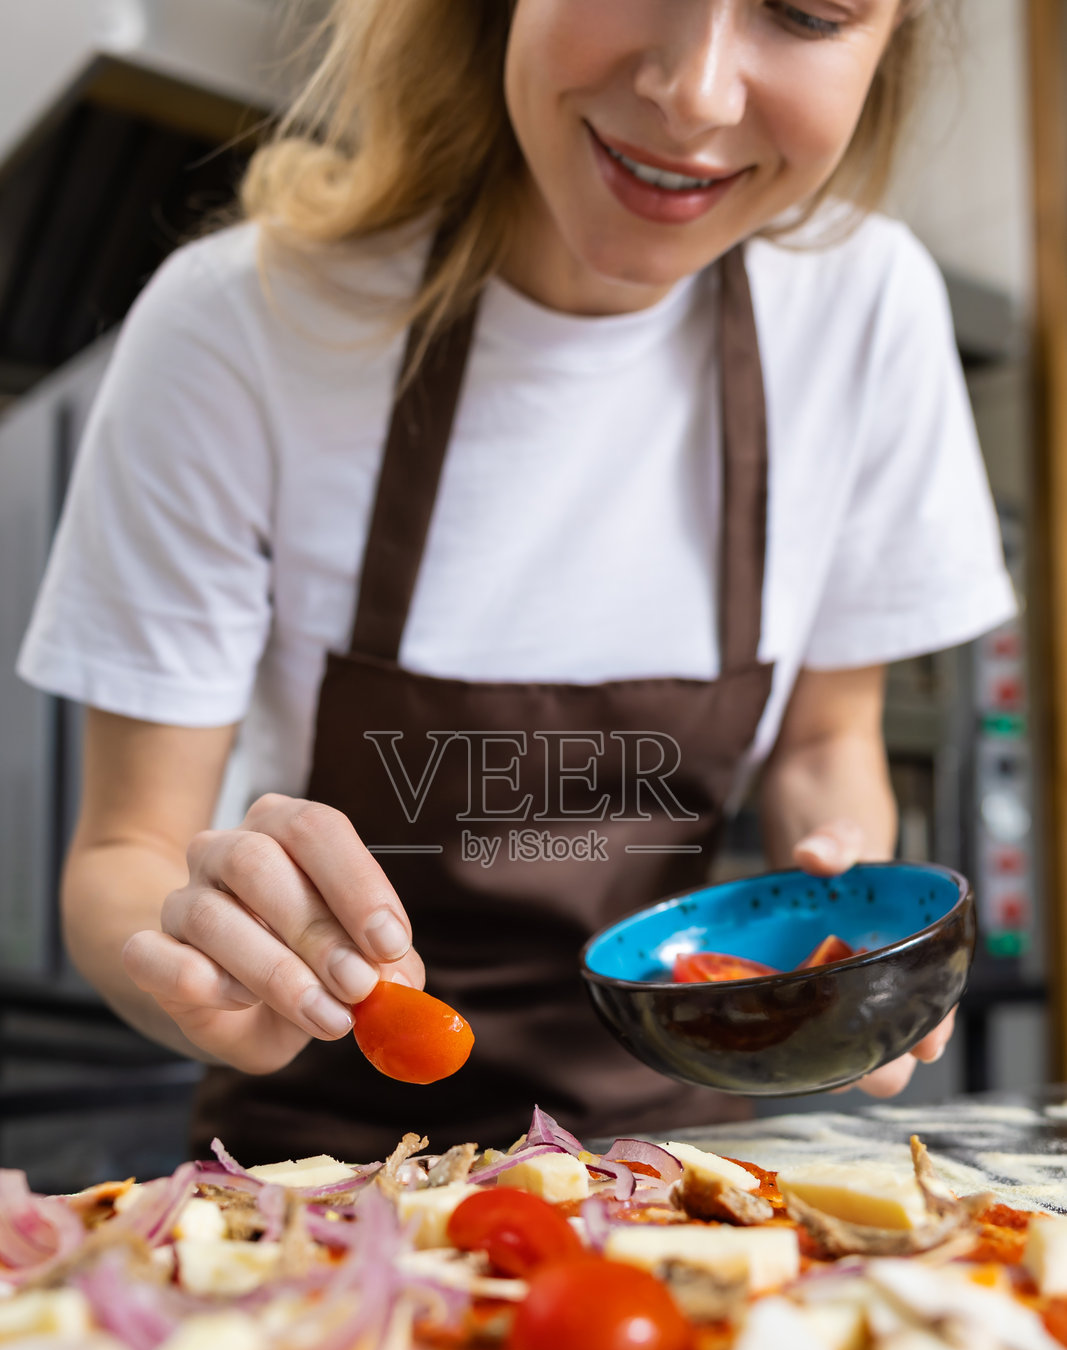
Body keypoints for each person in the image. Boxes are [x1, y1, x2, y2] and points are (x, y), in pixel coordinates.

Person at [18, 0, 1014, 1162]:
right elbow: (124, 854)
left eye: (804, 8)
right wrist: (205, 962)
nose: (694, 93)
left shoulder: (862, 308)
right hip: (311, 1180)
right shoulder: (235, 325)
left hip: (669, 1173)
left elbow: (822, 741)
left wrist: (842, 915)